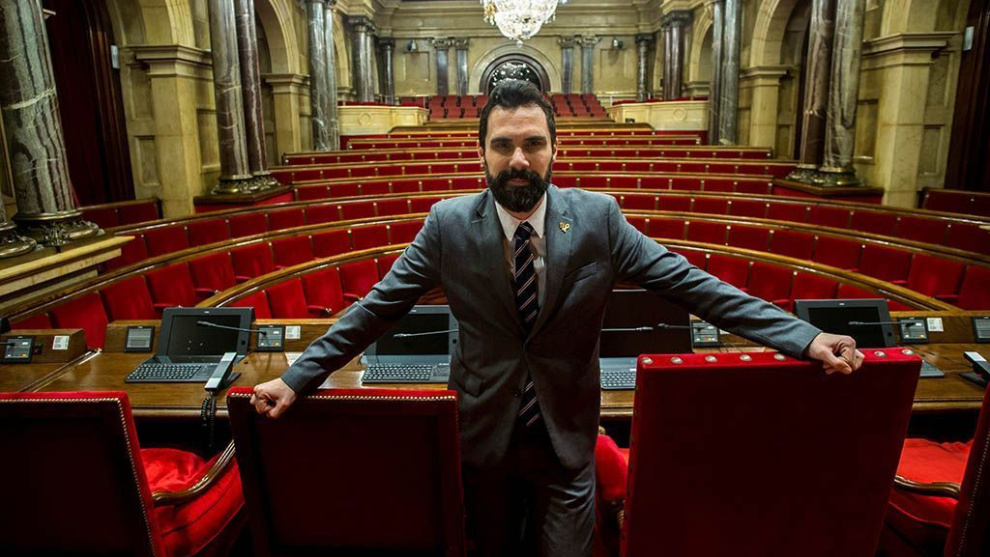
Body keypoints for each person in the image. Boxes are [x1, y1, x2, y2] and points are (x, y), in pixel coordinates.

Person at [251, 79, 864, 556]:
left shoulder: (599, 218)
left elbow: (693, 285)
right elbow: (376, 308)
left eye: (533, 144)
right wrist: (296, 377)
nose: (518, 159)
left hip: (565, 440)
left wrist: (805, 337)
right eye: (503, 145)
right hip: (481, 440)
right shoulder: (447, 225)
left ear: (553, 149)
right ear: (482, 152)